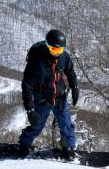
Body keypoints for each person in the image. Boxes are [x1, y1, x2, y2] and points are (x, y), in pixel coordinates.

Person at [17, 29, 79, 160]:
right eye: (53, 49)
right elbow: (27, 85)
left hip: (60, 96)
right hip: (42, 98)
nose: (56, 53)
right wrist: (30, 109)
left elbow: (70, 72)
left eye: (59, 50)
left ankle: (67, 148)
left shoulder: (64, 57)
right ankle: (23, 145)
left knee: (66, 124)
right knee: (37, 125)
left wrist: (75, 87)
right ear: (47, 45)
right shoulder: (36, 61)